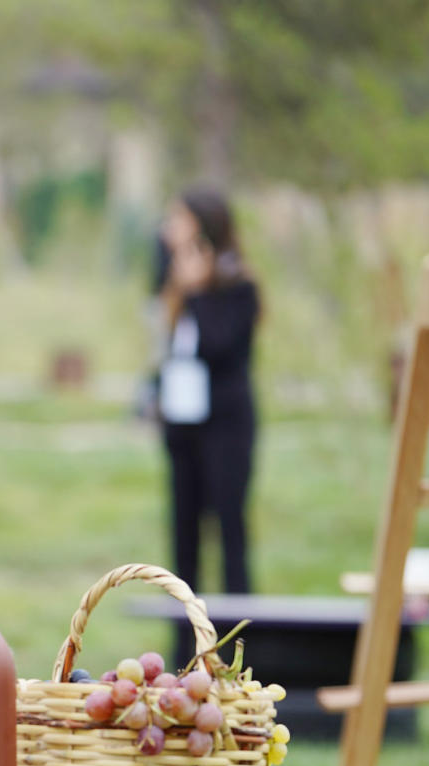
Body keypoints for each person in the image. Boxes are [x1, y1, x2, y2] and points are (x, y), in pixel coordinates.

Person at [155, 186, 261, 595]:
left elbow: (218, 346)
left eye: (177, 220)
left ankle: (241, 644)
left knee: (230, 532)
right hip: (183, 425)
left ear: (202, 226)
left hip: (226, 426)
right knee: (183, 538)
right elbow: (171, 348)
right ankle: (184, 647)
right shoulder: (173, 279)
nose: (168, 229)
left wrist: (197, 292)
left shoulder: (239, 288)